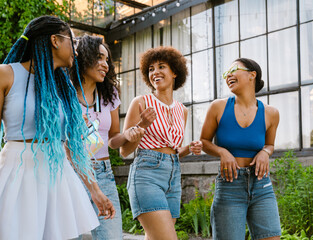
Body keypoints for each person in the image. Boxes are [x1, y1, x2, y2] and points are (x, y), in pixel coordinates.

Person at [0, 15, 112, 239]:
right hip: (17, 173)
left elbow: (73, 147)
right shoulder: (5, 74)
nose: (77, 51)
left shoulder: (64, 87)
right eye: (72, 41)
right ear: (55, 40)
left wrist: (95, 191)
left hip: (58, 177)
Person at [120, 46, 203, 240]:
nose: (155, 72)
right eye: (150, 69)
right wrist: (141, 126)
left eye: (161, 67)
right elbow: (124, 150)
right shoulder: (140, 102)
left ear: (174, 72)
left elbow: (172, 151)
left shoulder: (182, 110)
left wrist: (188, 149)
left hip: (173, 177)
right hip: (146, 174)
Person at [70, 34, 145, 240]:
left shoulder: (110, 94)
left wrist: (128, 135)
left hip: (103, 173)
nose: (105, 65)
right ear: (83, 57)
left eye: (107, 60)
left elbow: (112, 140)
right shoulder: (64, 93)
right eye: (99, 58)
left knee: (111, 235)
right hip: (70, 172)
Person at [200, 58, 281, 240]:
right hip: (230, 186)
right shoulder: (218, 107)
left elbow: (270, 145)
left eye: (233, 70)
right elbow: (204, 141)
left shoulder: (271, 113)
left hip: (261, 185)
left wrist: (265, 152)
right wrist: (222, 152)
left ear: (252, 75)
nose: (228, 75)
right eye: (225, 73)